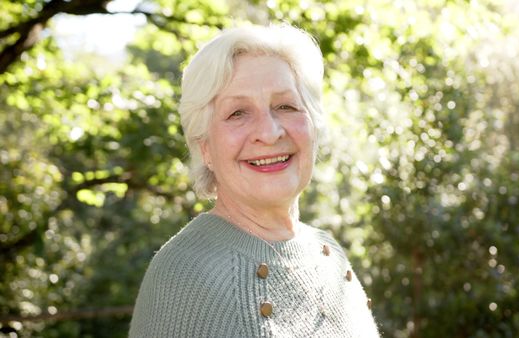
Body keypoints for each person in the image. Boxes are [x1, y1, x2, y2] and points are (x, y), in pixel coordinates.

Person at [129, 23, 380, 337]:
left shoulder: (328, 252)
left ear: (313, 125)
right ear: (204, 146)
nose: (269, 132)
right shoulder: (185, 272)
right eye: (238, 113)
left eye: (286, 106)